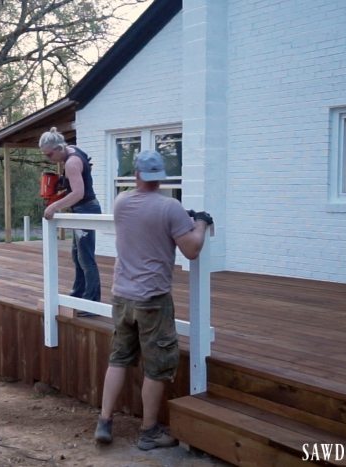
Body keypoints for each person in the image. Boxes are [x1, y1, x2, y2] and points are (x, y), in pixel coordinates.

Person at [94, 149, 213, 450]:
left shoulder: (121, 203)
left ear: (136, 175)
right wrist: (199, 223)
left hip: (122, 296)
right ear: (161, 178)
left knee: (118, 359)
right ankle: (149, 432)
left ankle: (105, 421)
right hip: (153, 299)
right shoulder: (170, 208)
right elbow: (192, 249)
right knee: (156, 368)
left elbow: (147, 220)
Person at [39, 127, 101, 306]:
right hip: (82, 209)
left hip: (86, 210)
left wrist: (54, 206)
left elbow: (79, 193)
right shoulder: (73, 150)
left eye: (49, 155)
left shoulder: (71, 163)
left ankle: (91, 302)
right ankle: (78, 294)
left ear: (59, 148)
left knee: (86, 258)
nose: (48, 158)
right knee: (77, 255)